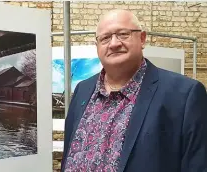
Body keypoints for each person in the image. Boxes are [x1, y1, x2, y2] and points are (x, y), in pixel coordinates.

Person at [61, 9, 207, 172]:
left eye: (123, 34)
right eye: (105, 38)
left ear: (142, 39)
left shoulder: (184, 95)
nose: (114, 43)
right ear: (97, 46)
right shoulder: (83, 89)